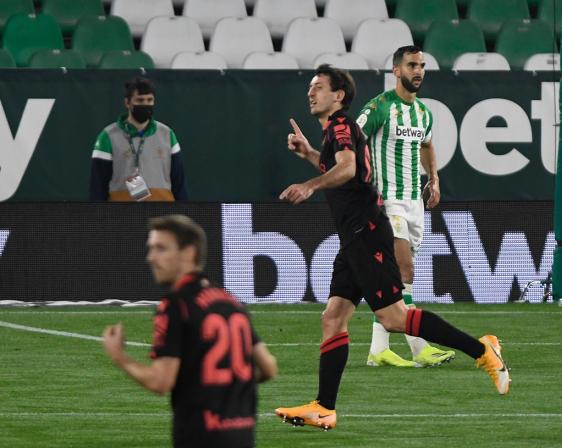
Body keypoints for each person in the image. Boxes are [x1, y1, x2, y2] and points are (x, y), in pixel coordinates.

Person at [275, 64, 510, 431]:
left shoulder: (340, 125)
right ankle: (324, 407)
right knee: (333, 318)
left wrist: (310, 184)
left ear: (338, 96)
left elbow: (348, 170)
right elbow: (343, 168)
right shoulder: (336, 132)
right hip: (354, 237)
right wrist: (308, 153)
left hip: (366, 232)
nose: (311, 92)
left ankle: (483, 351)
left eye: (318, 87)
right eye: (310, 87)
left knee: (393, 318)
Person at [102, 214, 277, 448]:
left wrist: (119, 357)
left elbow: (160, 382)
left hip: (201, 437)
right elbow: (268, 368)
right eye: (151, 249)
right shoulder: (232, 303)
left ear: (188, 253)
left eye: (161, 249)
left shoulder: (176, 305)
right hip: (242, 436)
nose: (151, 258)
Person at [357, 45, 455, 368]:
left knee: (399, 275)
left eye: (422, 66)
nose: (419, 71)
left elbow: (426, 144)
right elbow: (354, 140)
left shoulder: (423, 113)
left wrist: (435, 179)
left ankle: (378, 349)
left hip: (414, 202)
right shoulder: (380, 107)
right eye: (412, 65)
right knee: (404, 269)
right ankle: (418, 347)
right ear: (396, 71)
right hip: (387, 201)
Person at [90, 77, 188, 201]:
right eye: (140, 100)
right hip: (122, 215)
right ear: (127, 103)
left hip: (163, 213)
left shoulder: (167, 134)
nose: (145, 104)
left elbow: (179, 182)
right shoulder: (108, 136)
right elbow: (98, 186)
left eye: (149, 100)